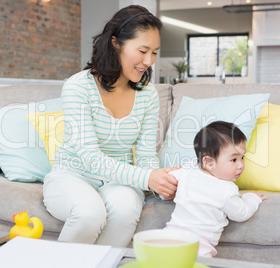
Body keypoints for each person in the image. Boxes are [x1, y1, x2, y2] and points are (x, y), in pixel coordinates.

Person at [42, 5, 179, 247]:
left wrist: (161, 185)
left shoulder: (148, 94)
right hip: (73, 174)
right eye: (143, 50)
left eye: (155, 52)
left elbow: (146, 155)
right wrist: (148, 178)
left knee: (126, 209)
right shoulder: (78, 87)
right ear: (116, 44)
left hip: (119, 182)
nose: (149, 61)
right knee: (89, 213)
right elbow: (90, 158)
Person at [165, 121, 268, 257]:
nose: (241, 165)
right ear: (209, 162)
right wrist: (252, 198)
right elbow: (241, 213)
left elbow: (167, 181)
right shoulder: (226, 189)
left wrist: (164, 194)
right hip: (198, 246)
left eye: (242, 158)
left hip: (168, 236)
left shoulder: (188, 169)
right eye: (234, 160)